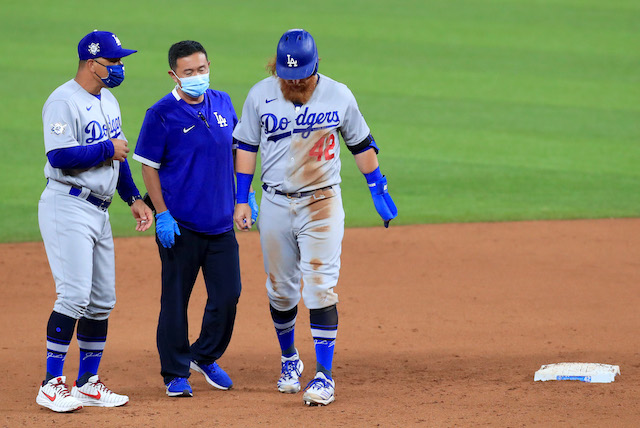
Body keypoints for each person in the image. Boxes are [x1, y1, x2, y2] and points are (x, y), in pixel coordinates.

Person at [232, 29, 398, 406]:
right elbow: (245, 146)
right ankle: (290, 359)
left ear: (315, 66)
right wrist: (242, 199)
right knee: (280, 289)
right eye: (288, 77)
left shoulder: (339, 95)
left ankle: (324, 375)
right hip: (274, 204)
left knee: (320, 286)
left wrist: (378, 187)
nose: (295, 83)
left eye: (302, 77)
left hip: (322, 203)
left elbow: (360, 142)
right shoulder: (260, 94)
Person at [36, 30, 153, 413]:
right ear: (92, 63)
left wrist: (133, 197)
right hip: (67, 204)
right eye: (114, 62)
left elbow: (119, 158)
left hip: (99, 209)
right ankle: (52, 384)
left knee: (101, 301)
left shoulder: (109, 100)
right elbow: (59, 157)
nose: (119, 68)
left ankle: (87, 383)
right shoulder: (62, 101)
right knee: (73, 295)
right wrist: (106, 148)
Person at [133, 40, 247, 398]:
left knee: (229, 295)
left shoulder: (224, 102)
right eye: (188, 72)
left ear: (209, 65)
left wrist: (246, 195)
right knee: (176, 301)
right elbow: (148, 168)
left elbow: (238, 149)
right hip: (180, 226)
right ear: (174, 74)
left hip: (221, 224)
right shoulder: (161, 113)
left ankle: (204, 355)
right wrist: (162, 214)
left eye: (201, 69)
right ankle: (174, 372)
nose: (197, 77)